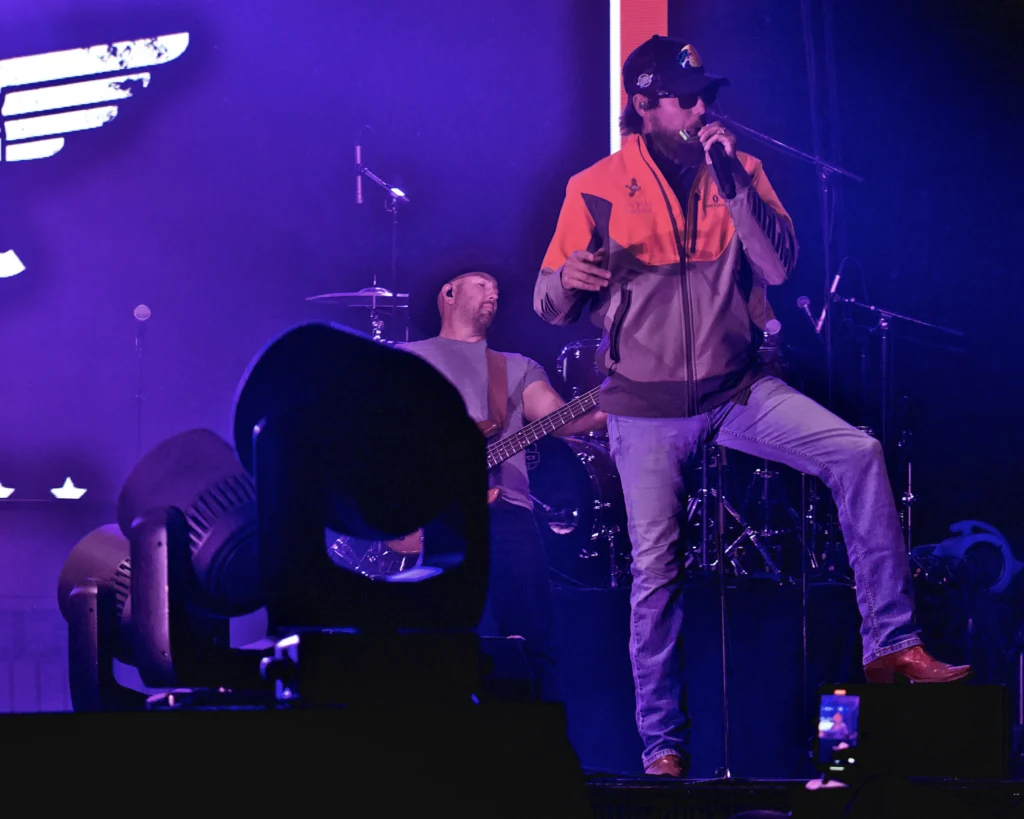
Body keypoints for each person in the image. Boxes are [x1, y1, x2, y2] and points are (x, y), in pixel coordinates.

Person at [533, 35, 969, 776]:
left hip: (737, 390)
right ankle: (663, 746)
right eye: (685, 97)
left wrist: (732, 179)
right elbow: (548, 304)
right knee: (656, 572)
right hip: (644, 406)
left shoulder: (741, 170)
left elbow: (777, 265)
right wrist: (568, 278)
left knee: (858, 452)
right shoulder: (595, 186)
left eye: (705, 94)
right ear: (644, 104)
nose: (701, 107)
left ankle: (892, 643)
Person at [400, 260, 607, 703]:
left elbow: (558, 419)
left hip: (509, 511)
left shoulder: (516, 366)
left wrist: (615, 403)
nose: (492, 293)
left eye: (495, 287)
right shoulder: (407, 359)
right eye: (481, 284)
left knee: (532, 637)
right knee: (435, 638)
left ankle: (542, 737)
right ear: (449, 293)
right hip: (437, 512)